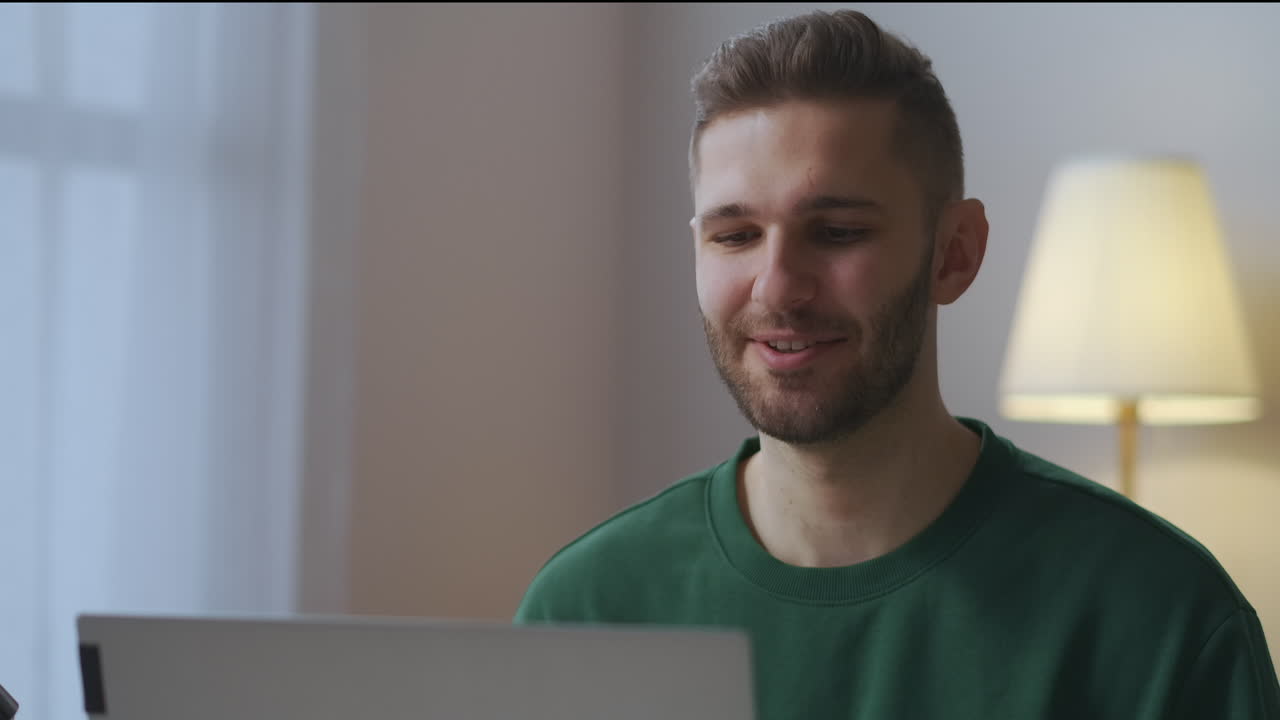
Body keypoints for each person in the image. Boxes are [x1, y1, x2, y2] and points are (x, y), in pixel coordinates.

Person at [514, 8, 1280, 719]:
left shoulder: (1160, 617)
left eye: (839, 231)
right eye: (736, 235)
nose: (778, 286)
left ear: (956, 253)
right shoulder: (586, 608)